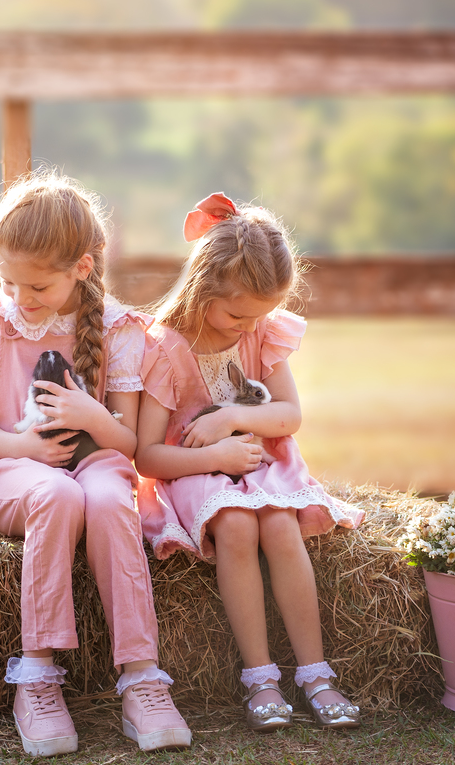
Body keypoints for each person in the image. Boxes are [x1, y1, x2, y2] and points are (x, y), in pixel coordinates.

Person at [0, 171, 190, 756]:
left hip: (97, 462)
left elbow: (127, 443)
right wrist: (28, 450)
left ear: (82, 267)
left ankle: (142, 677)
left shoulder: (118, 329)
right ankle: (37, 677)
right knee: (55, 494)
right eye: (8, 281)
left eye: (36, 286)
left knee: (108, 500)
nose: (20, 297)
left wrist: (90, 413)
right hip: (13, 464)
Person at [135, 193, 365, 732]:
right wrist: (215, 451)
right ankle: (260, 678)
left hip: (262, 463)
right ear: (202, 287)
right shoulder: (165, 348)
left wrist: (232, 417)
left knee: (279, 524)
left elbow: (289, 415)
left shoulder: (261, 329)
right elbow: (147, 455)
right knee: (236, 525)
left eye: (258, 316)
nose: (247, 326)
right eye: (238, 314)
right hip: (195, 471)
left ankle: (316, 674)